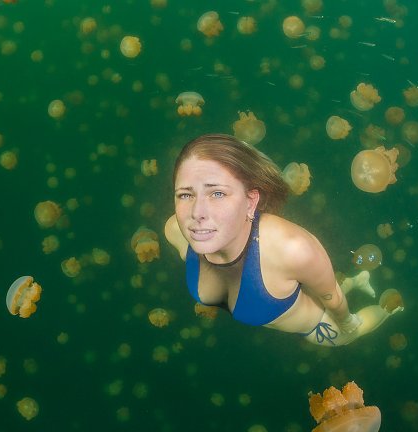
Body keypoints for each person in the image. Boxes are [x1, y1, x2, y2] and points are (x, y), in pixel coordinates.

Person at [164, 134, 402, 346]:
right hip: (281, 298)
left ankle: (388, 309)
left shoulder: (293, 248)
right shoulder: (176, 229)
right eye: (185, 194)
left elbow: (333, 298)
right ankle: (357, 279)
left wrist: (348, 322)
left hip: (312, 323)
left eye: (217, 193)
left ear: (251, 201)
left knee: (345, 334)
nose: (197, 213)